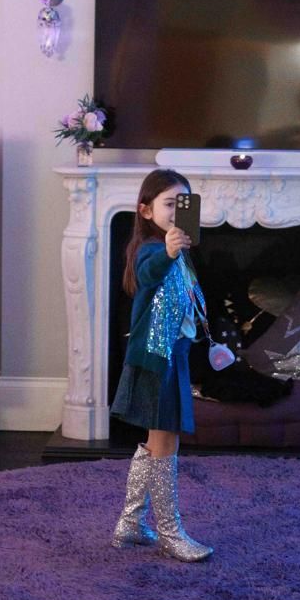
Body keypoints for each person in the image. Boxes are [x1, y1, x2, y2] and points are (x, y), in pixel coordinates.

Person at [110, 169, 214, 562]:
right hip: (157, 360)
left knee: (156, 442)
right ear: (146, 210)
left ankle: (131, 523)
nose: (176, 211)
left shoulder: (179, 254)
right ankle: (170, 533)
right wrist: (169, 251)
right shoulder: (152, 250)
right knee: (166, 442)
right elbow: (148, 272)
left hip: (171, 358)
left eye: (183, 204)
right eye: (169, 204)